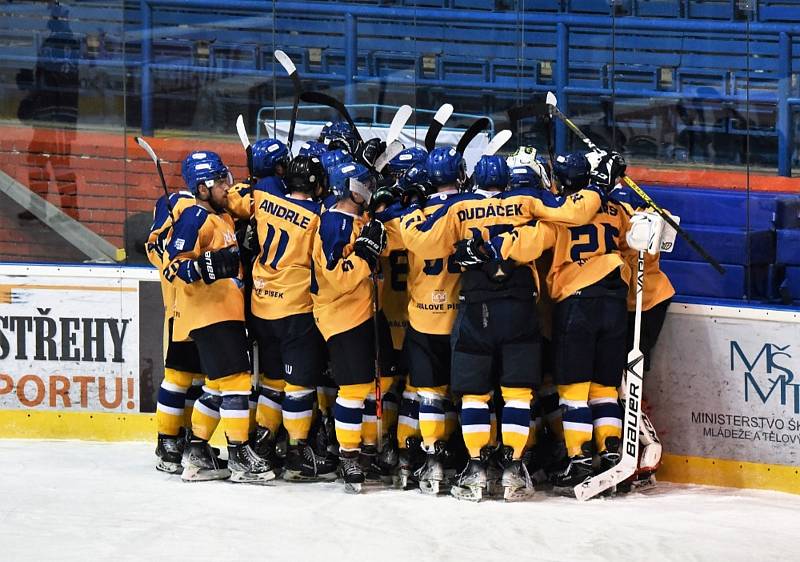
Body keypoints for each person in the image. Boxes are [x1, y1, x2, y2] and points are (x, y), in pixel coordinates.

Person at [164, 151, 273, 484]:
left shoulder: (222, 217)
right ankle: (239, 454)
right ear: (201, 188)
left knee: (216, 385)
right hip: (209, 313)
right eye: (220, 181)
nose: (227, 187)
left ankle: (197, 452)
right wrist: (201, 267)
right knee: (238, 381)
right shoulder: (194, 217)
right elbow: (173, 265)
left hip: (225, 311)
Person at [248, 154, 339, 481]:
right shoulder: (318, 217)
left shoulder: (264, 200)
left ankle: (263, 443)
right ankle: (299, 453)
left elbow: (249, 190)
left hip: (261, 306)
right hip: (295, 310)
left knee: (272, 381)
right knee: (299, 385)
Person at [311, 161, 392, 493]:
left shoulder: (359, 219)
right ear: (349, 188)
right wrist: (364, 255)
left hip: (370, 310)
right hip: (342, 317)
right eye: (362, 183)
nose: (368, 187)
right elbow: (337, 277)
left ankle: (369, 447)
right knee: (355, 389)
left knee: (382, 380)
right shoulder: (332, 223)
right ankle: (349, 455)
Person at [145, 156, 203, 474]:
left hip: (207, 304)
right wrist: (169, 263)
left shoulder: (218, 205)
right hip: (179, 305)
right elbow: (153, 245)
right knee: (178, 376)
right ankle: (167, 439)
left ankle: (191, 436)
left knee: (199, 379)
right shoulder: (174, 203)